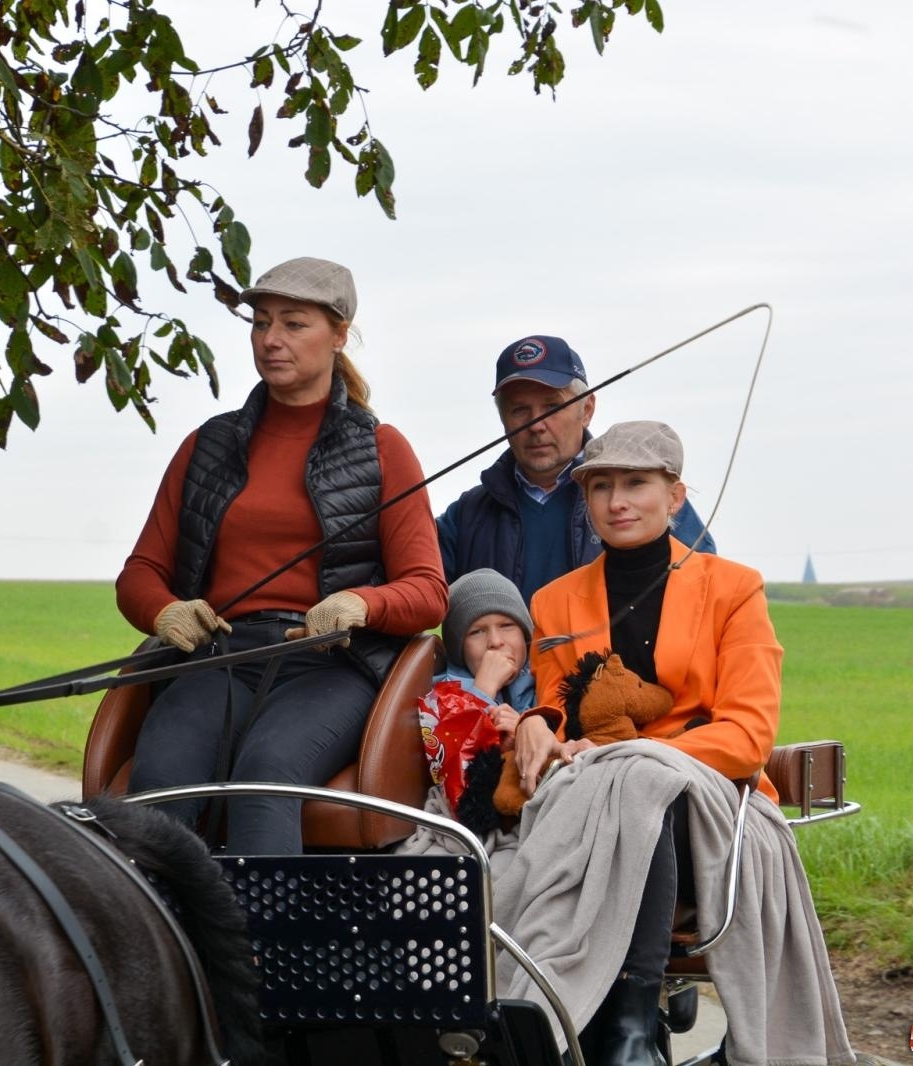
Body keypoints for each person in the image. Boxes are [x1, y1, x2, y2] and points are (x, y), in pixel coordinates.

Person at [506, 421, 847, 1066]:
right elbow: (560, 711)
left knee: (641, 785)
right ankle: (574, 1024)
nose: (617, 502)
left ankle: (628, 1031)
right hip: (589, 807)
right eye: (600, 486)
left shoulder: (733, 588)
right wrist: (534, 723)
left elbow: (746, 736)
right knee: (616, 792)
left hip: (713, 808)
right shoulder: (553, 602)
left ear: (677, 496)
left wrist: (634, 759)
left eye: (637, 483)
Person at [116, 256, 447, 855]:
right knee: (158, 788)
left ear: (339, 334)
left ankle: (273, 952)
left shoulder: (383, 450)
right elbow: (140, 574)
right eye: (261, 322)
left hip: (330, 666)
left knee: (264, 779)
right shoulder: (207, 446)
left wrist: (360, 602)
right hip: (217, 657)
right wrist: (163, 610)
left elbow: (427, 590)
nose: (270, 340)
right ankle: (160, 946)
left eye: (294, 324)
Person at [436, 335, 716, 604]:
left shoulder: (642, 500)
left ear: (587, 409)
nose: (536, 424)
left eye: (552, 406)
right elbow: (416, 588)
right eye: (519, 409)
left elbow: (704, 591)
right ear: (502, 418)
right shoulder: (465, 516)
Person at [416, 569, 534, 830]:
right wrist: (483, 691)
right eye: (476, 632)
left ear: (526, 635)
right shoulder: (442, 694)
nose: (495, 641)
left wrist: (524, 731)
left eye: (507, 625)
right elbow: (452, 777)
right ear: (459, 648)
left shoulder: (543, 679)